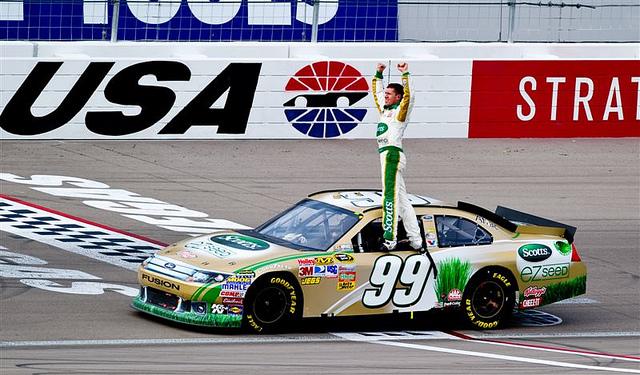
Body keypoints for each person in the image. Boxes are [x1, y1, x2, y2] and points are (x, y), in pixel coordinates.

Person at [371, 62, 422, 251]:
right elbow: (376, 94)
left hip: (392, 155)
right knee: (403, 200)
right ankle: (415, 239)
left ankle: (389, 239)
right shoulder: (385, 110)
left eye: (389, 94)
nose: (385, 95)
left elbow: (411, 96)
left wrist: (405, 73)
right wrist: (379, 74)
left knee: (389, 196)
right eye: (385, 93)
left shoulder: (400, 113)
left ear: (398, 97)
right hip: (386, 156)